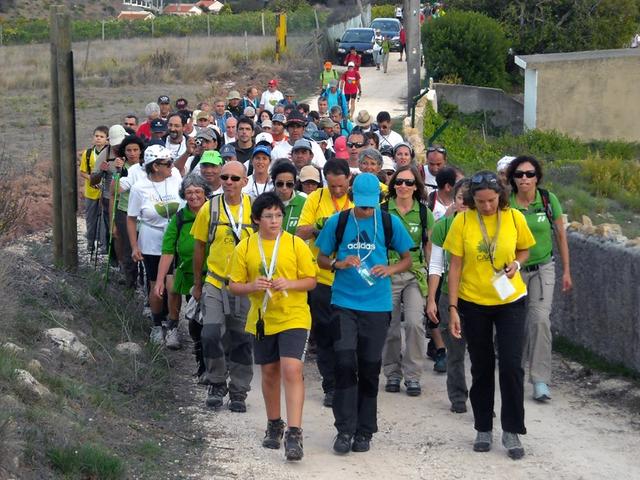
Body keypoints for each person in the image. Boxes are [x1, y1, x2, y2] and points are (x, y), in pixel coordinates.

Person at [315, 173, 414, 454]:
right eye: (362, 204)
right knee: (345, 363)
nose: (367, 210)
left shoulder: (387, 221)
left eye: (371, 205)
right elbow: (320, 258)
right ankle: (344, 429)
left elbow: (408, 258)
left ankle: (365, 430)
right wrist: (337, 263)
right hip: (344, 303)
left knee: (370, 367)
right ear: (352, 196)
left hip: (377, 304)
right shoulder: (340, 221)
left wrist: (390, 269)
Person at [444, 171, 535, 460]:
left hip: (510, 300)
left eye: (492, 201)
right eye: (481, 202)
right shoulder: (462, 221)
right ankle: (483, 427)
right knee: (481, 367)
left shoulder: (514, 217)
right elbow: (455, 266)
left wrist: (516, 266)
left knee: (511, 365)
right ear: (472, 200)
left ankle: (512, 429)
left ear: (501, 197)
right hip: (474, 302)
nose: (486, 207)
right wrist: (453, 308)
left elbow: (525, 250)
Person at [229, 192, 317, 462]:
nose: (275, 221)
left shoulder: (294, 244)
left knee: (292, 369)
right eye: (268, 216)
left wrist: (289, 283)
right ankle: (274, 423)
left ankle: (294, 432)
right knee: (269, 372)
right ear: (257, 219)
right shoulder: (245, 247)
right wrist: (251, 286)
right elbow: (234, 285)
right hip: (262, 317)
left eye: (278, 215)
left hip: (294, 316)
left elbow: (311, 280)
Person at [506, 156, 572, 401]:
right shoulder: (507, 203)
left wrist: (566, 270)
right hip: (512, 270)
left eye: (530, 174)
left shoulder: (548, 200)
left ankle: (540, 379)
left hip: (543, 267)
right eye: (520, 174)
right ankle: (512, 370)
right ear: (513, 178)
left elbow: (561, 236)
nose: (525, 178)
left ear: (537, 177)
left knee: (540, 320)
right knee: (514, 322)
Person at [191, 161, 255, 411]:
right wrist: (198, 283)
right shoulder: (210, 207)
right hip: (215, 281)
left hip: (244, 285)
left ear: (244, 182)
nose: (229, 182)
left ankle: (238, 390)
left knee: (241, 338)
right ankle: (217, 382)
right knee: (210, 333)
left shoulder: (253, 209)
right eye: (225, 177)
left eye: (234, 178)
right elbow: (199, 247)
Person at [296, 159, 354, 407]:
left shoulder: (356, 199)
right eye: (332, 186)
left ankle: (348, 381)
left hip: (350, 278)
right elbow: (301, 231)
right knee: (325, 334)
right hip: (320, 276)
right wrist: (327, 229)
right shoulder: (315, 199)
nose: (337, 191)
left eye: (341, 186)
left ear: (349, 180)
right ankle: (330, 385)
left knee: (348, 335)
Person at [382, 166, 434, 396]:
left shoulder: (424, 214)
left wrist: (434, 284)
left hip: (415, 272)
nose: (403, 186)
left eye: (409, 182)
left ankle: (413, 376)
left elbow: (429, 248)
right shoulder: (382, 210)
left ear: (416, 187)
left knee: (414, 323)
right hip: (388, 270)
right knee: (390, 326)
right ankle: (392, 373)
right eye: (399, 182)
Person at [127, 145, 182, 345]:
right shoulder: (139, 188)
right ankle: (157, 325)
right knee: (155, 286)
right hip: (151, 241)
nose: (171, 166)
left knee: (173, 285)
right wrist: (134, 246)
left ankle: (174, 326)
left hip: (175, 240)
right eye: (167, 163)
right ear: (156, 166)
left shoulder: (176, 179)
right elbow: (131, 218)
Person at [427, 178, 471, 413]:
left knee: (481, 353)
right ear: (454, 200)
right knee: (455, 350)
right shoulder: (443, 227)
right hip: (450, 295)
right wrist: (431, 298)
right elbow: (436, 265)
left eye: (469, 198)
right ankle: (457, 396)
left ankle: (481, 396)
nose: (465, 203)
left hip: (479, 297)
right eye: (461, 198)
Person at [155, 174, 212, 351]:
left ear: (205, 193)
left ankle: (206, 341)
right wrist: (159, 280)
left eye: (198, 191)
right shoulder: (179, 218)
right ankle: (172, 326)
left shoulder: (215, 213)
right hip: (185, 270)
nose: (193, 196)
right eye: (189, 192)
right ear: (183, 194)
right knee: (171, 285)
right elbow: (167, 250)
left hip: (211, 273)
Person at [111, 135, 146, 290]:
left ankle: (144, 284)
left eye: (135, 150)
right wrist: (117, 171)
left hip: (144, 213)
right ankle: (130, 285)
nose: (132, 153)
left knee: (144, 248)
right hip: (125, 212)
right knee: (128, 250)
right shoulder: (122, 168)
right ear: (123, 152)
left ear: (141, 151)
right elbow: (113, 191)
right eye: (129, 150)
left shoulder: (147, 166)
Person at [80, 125, 109, 254]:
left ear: (107, 140)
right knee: (91, 219)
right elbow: (83, 172)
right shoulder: (88, 154)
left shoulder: (109, 154)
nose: (98, 139)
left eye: (101, 137)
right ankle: (90, 243)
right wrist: (92, 179)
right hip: (91, 193)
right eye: (96, 136)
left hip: (106, 193)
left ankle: (103, 246)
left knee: (104, 220)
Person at [271, 161, 307, 234]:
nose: (284, 188)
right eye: (280, 184)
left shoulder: (305, 201)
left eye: (289, 184)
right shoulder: (265, 202)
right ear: (273, 183)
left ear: (294, 184)